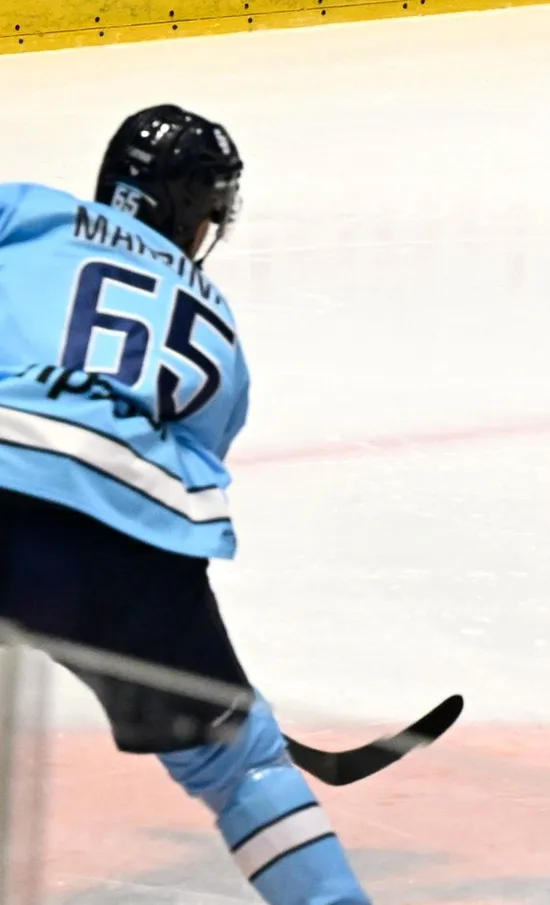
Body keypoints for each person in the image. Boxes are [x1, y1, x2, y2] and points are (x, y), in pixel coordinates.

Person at [0, 105, 370, 905]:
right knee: (243, 764)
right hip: (127, 535)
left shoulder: (27, 211)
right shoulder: (217, 323)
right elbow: (197, 454)